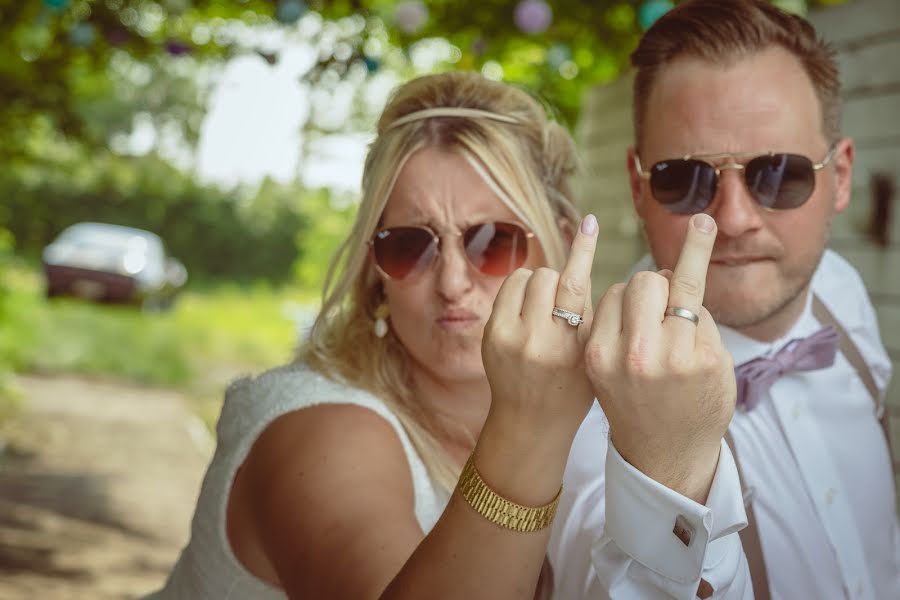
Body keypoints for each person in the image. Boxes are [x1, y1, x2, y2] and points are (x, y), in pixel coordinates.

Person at [144, 70, 733, 599]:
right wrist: (530, 424)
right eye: (409, 245)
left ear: (557, 243)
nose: (452, 282)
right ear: (376, 277)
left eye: (491, 241)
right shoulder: (323, 427)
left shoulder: (595, 420)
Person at [549, 1, 900, 598]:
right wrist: (667, 472)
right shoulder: (581, 405)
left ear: (839, 177)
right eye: (684, 179)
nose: (733, 219)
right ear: (638, 188)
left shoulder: (839, 288)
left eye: (780, 174)